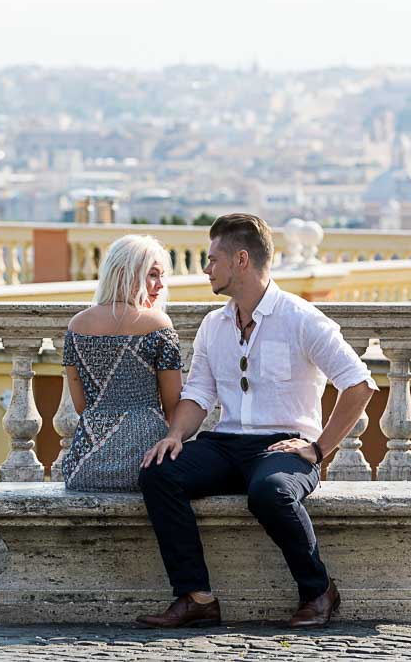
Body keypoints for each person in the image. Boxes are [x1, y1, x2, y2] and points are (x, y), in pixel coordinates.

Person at [136, 213, 376, 629]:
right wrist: (175, 435)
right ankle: (195, 596)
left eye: (213, 259)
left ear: (241, 260)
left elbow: (360, 385)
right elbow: (198, 395)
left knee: (269, 492)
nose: (206, 268)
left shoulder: (302, 319)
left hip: (285, 446)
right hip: (226, 443)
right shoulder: (215, 325)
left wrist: (318, 448)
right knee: (159, 472)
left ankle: (318, 590)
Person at [61, 234, 183, 492]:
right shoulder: (159, 325)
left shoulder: (77, 326)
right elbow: (173, 407)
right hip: (147, 461)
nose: (160, 285)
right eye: (153, 275)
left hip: (86, 466)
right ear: (125, 273)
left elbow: (82, 405)